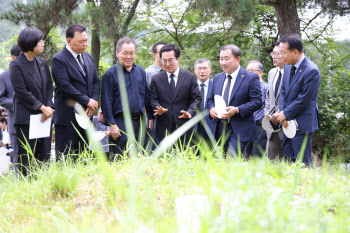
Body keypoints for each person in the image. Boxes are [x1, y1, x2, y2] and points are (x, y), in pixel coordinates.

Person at [9, 27, 54, 176]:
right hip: (27, 118)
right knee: (26, 160)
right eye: (39, 41)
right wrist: (41, 107)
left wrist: (48, 106)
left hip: (44, 117)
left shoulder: (41, 63)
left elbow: (49, 86)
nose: (43, 44)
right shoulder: (16, 65)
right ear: (30, 42)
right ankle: (26, 189)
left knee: (44, 157)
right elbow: (22, 92)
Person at [51, 24, 100, 157]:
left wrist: (93, 101)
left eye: (86, 40)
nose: (85, 44)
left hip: (86, 115)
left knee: (84, 156)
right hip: (68, 117)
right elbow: (65, 86)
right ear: (69, 41)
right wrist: (87, 100)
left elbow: (96, 81)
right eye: (81, 41)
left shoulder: (88, 57)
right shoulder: (59, 59)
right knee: (65, 157)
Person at [272, 34, 320, 165]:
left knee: (302, 165)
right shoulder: (287, 66)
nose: (280, 56)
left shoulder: (311, 70)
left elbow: (303, 99)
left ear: (295, 52)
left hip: (302, 123)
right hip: (286, 122)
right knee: (288, 161)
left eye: (282, 53)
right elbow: (283, 91)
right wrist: (283, 114)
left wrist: (285, 114)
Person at [101, 37, 154, 156]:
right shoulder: (110, 74)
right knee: (121, 159)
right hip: (120, 123)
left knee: (141, 158)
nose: (128, 57)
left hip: (139, 123)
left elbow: (146, 97)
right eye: (125, 53)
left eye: (132, 53)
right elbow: (106, 102)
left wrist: (150, 117)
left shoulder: (140, 71)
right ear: (117, 53)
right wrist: (112, 125)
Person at [207, 44, 262, 156]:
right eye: (221, 59)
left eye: (227, 59)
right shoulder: (217, 77)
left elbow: (257, 102)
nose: (223, 62)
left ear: (238, 59)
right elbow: (210, 99)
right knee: (218, 162)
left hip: (240, 128)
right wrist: (211, 109)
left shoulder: (250, 77)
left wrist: (237, 110)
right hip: (220, 128)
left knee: (233, 160)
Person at [149, 44, 201, 143]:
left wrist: (190, 112)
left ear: (178, 59)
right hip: (164, 127)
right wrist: (158, 108)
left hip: (184, 126)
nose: (167, 64)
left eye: (170, 60)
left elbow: (197, 98)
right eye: (164, 60)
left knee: (186, 156)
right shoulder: (156, 78)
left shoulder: (190, 77)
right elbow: (153, 99)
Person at [0, 45, 21, 164]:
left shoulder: (31, 73)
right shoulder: (4, 76)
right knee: (18, 156)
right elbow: (1, 98)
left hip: (34, 121)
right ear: (13, 57)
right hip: (15, 122)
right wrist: (17, 105)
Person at [264, 41, 286, 160]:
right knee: (271, 159)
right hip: (271, 123)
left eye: (277, 54)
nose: (274, 57)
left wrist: (282, 115)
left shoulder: (292, 73)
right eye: (272, 54)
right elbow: (268, 97)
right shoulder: (272, 72)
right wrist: (267, 114)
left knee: (288, 160)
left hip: (287, 121)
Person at [245, 60, 268, 157]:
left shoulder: (267, 88)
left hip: (260, 125)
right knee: (244, 155)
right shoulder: (243, 88)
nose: (249, 73)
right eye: (248, 70)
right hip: (246, 125)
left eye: (252, 70)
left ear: (261, 72)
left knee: (256, 155)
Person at [145, 42, 165, 147]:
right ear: (154, 55)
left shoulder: (170, 72)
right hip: (153, 118)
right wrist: (150, 117)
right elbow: (146, 97)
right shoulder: (148, 73)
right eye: (161, 52)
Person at [194, 58, 215, 141]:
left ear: (210, 70)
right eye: (199, 68)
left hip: (212, 126)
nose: (202, 71)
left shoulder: (216, 85)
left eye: (205, 68)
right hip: (194, 127)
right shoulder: (189, 86)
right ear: (195, 70)